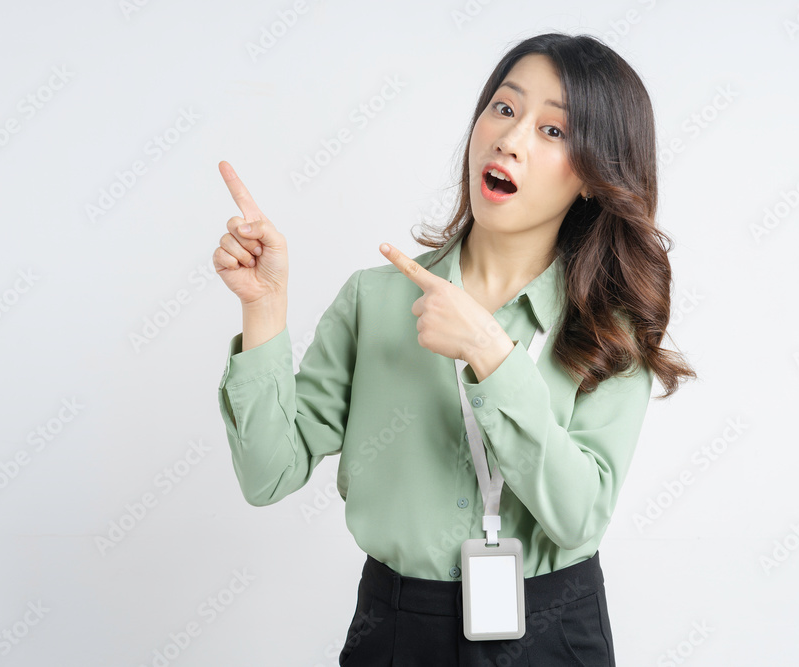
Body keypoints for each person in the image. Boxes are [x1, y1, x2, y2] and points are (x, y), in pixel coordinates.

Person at [212, 31, 695, 667]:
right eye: (505, 108)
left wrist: (493, 358)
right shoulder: (374, 300)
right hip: (397, 628)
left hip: (554, 627)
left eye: (554, 132)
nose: (511, 139)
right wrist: (263, 307)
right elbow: (268, 473)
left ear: (593, 177)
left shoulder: (611, 328)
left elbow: (578, 518)